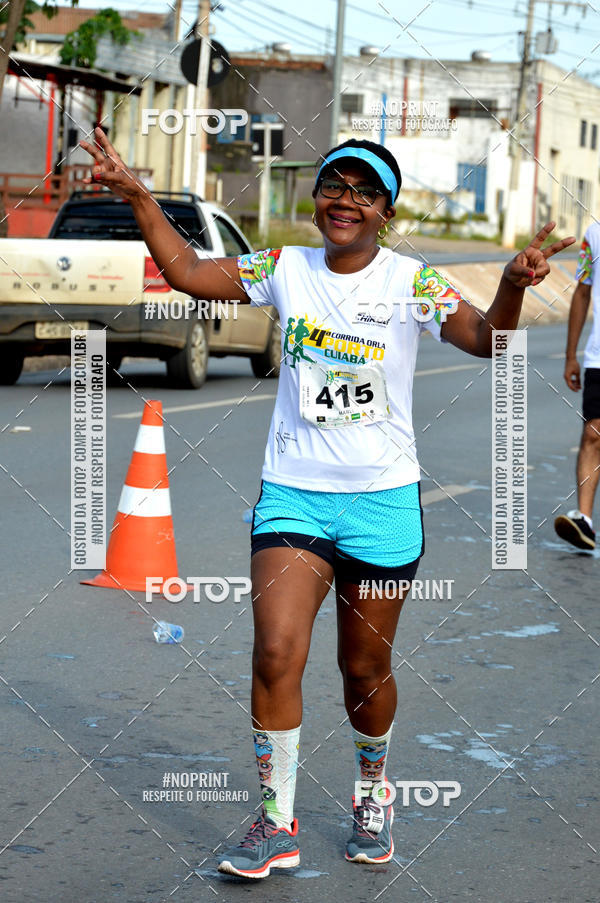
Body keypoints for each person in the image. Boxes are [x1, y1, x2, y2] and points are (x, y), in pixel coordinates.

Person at [80, 128, 575, 879]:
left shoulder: (411, 281)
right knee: (276, 650)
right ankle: (275, 820)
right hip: (294, 498)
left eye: (365, 192)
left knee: (363, 667)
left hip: (382, 504)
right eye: (334, 187)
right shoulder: (285, 266)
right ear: (317, 199)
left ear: (385, 212)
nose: (345, 201)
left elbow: (486, 338)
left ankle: (373, 792)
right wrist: (141, 195)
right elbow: (185, 271)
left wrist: (510, 284)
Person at [554, 223, 600, 551]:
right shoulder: (594, 234)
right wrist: (571, 353)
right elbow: (583, 291)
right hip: (599, 357)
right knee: (592, 434)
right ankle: (584, 520)